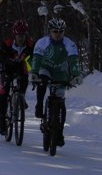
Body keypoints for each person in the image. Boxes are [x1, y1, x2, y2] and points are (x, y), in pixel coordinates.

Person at [31, 18, 82, 146]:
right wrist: (34, 73)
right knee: (42, 81)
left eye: (61, 31)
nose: (58, 34)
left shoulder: (69, 44)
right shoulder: (42, 43)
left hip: (60, 72)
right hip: (45, 68)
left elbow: (73, 59)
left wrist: (75, 75)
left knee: (61, 102)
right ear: (50, 32)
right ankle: (39, 105)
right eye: (55, 31)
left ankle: (59, 132)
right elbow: (36, 59)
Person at [0, 19, 35, 135]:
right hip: (7, 68)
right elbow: (0, 61)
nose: (21, 38)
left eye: (23, 35)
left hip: (21, 67)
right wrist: (3, 72)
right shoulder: (6, 44)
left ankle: (21, 97)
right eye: (19, 35)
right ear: (14, 35)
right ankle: (2, 122)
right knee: (4, 92)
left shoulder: (31, 45)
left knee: (24, 77)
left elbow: (36, 59)